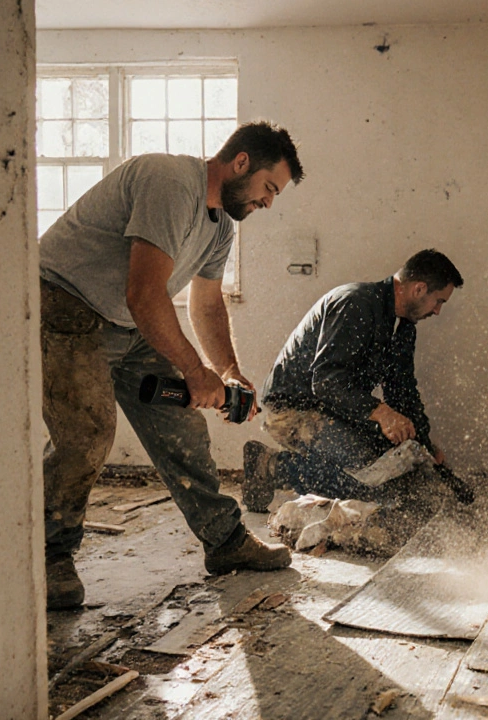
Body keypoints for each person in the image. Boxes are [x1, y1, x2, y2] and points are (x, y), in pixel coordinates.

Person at [39, 120, 304, 609]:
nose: (268, 202)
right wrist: (193, 371)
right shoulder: (168, 182)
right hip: (63, 304)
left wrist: (225, 370)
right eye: (269, 188)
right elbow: (144, 293)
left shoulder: (220, 224)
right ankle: (47, 554)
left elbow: (206, 303)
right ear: (240, 162)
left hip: (126, 323)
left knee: (181, 426)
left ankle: (224, 542)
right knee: (88, 433)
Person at [243, 249, 466, 546]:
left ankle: (291, 469)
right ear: (419, 289)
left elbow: (402, 391)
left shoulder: (403, 328)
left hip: (336, 410)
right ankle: (270, 465)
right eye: (439, 301)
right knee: (374, 479)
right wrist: (382, 413)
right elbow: (326, 382)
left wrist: (424, 443)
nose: (437, 310)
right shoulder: (355, 303)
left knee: (396, 468)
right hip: (294, 409)